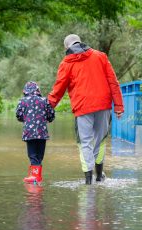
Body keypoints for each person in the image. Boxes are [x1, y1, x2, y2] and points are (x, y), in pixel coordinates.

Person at [48, 34, 124, 185]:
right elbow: (113, 81)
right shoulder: (100, 56)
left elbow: (59, 88)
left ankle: (88, 181)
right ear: (80, 41)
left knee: (85, 142)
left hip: (82, 106)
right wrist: (119, 106)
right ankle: (99, 176)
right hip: (103, 105)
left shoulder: (66, 62)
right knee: (100, 140)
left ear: (66, 47)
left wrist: (48, 107)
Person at [16, 81, 55, 185]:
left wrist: (26, 119)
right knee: (39, 156)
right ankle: (37, 177)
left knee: (32, 155)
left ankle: (34, 178)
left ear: (25, 90)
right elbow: (51, 115)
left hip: (29, 133)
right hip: (42, 132)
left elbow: (18, 115)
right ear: (37, 90)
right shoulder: (44, 100)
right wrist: (47, 119)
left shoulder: (22, 101)